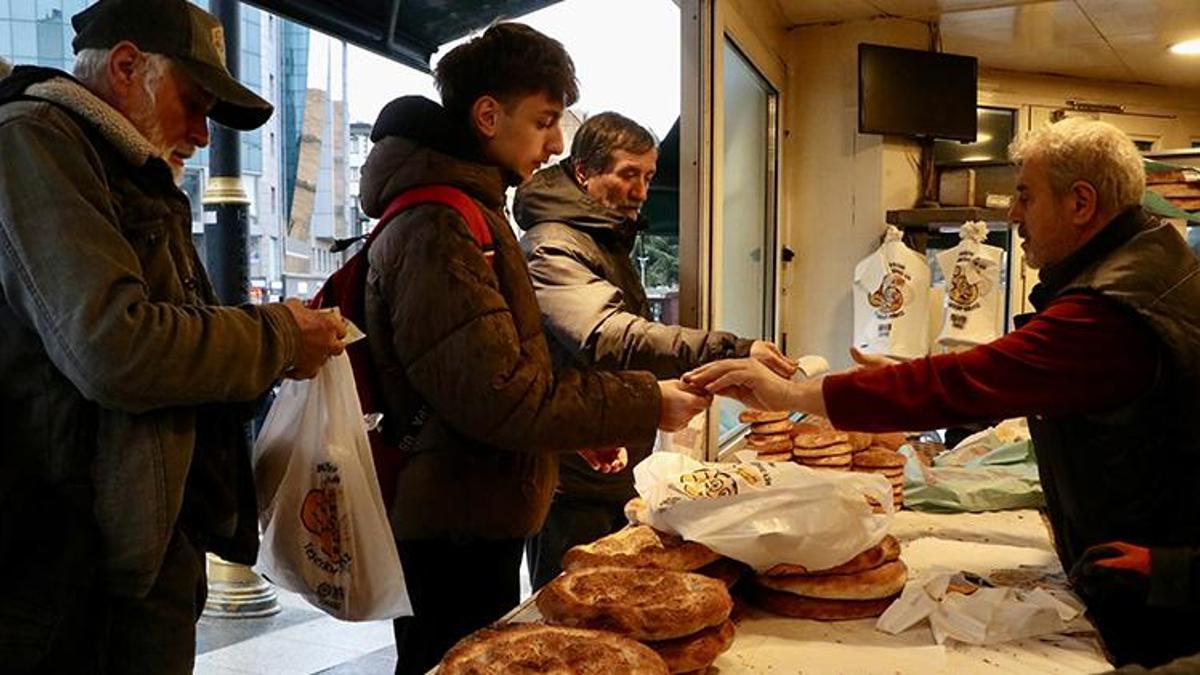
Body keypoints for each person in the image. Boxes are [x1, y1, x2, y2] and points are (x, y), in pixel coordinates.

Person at [684, 118, 1200, 668]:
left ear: (1080, 203)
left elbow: (967, 382)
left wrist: (792, 394)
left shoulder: (1110, 311)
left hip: (1159, 591)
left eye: (1025, 196)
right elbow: (1019, 372)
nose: (1014, 214)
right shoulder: (1145, 264)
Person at [0, 1, 348, 673]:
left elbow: (171, 343)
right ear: (127, 67)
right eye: (193, 103)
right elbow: (114, 346)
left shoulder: (128, 167)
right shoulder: (34, 138)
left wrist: (277, 348)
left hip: (141, 555)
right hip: (67, 571)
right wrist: (276, 336)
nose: (201, 133)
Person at [357, 25, 711, 675]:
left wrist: (573, 432)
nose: (554, 144)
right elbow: (500, 395)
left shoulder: (474, 210)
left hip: (478, 506)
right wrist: (645, 402)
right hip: (452, 522)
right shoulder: (439, 225)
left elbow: (495, 369)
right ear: (488, 115)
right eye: (545, 121)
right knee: (454, 661)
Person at [514, 111, 795, 589]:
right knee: (573, 604)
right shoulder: (553, 245)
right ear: (583, 171)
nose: (641, 191)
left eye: (647, 177)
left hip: (615, 457)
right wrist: (729, 349)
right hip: (573, 476)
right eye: (628, 174)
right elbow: (610, 336)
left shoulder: (602, 239)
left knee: (620, 598)